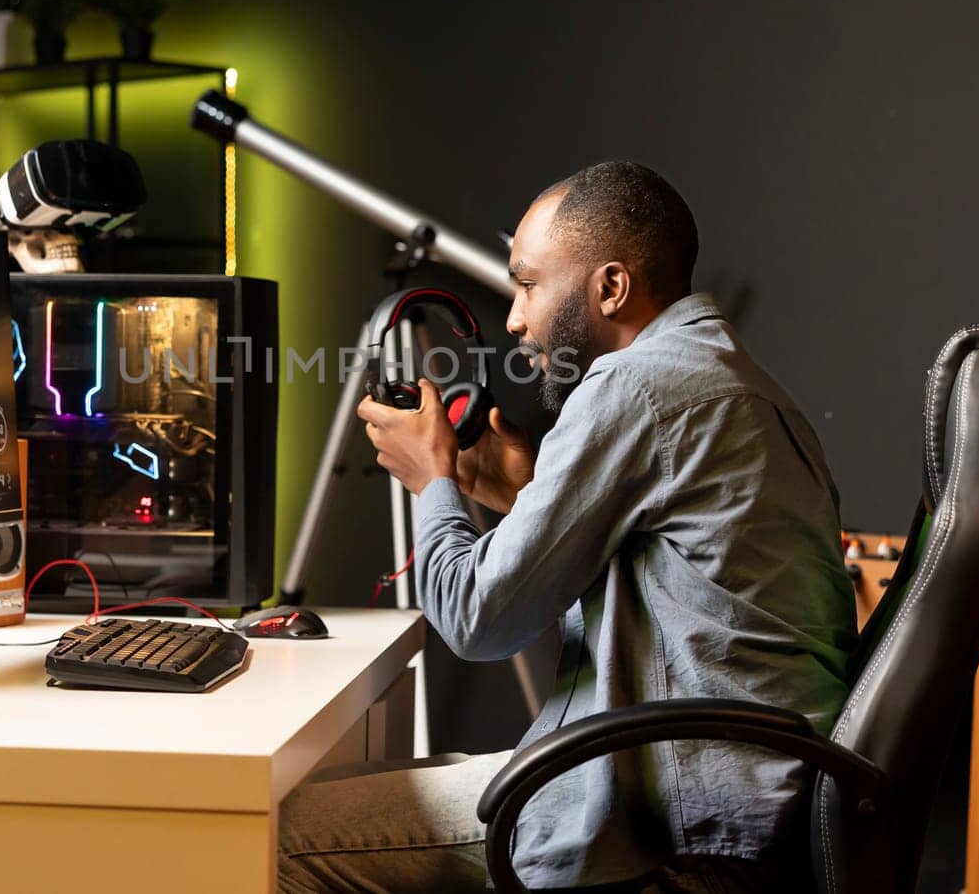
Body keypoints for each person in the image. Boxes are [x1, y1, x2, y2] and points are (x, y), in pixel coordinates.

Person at [277, 161, 857, 892]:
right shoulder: (733, 377)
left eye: (526, 283)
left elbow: (475, 619)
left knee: (276, 832)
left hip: (674, 818)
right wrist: (526, 494)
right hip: (754, 795)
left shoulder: (632, 386)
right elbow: (682, 581)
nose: (515, 316)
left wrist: (434, 479)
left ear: (610, 287)